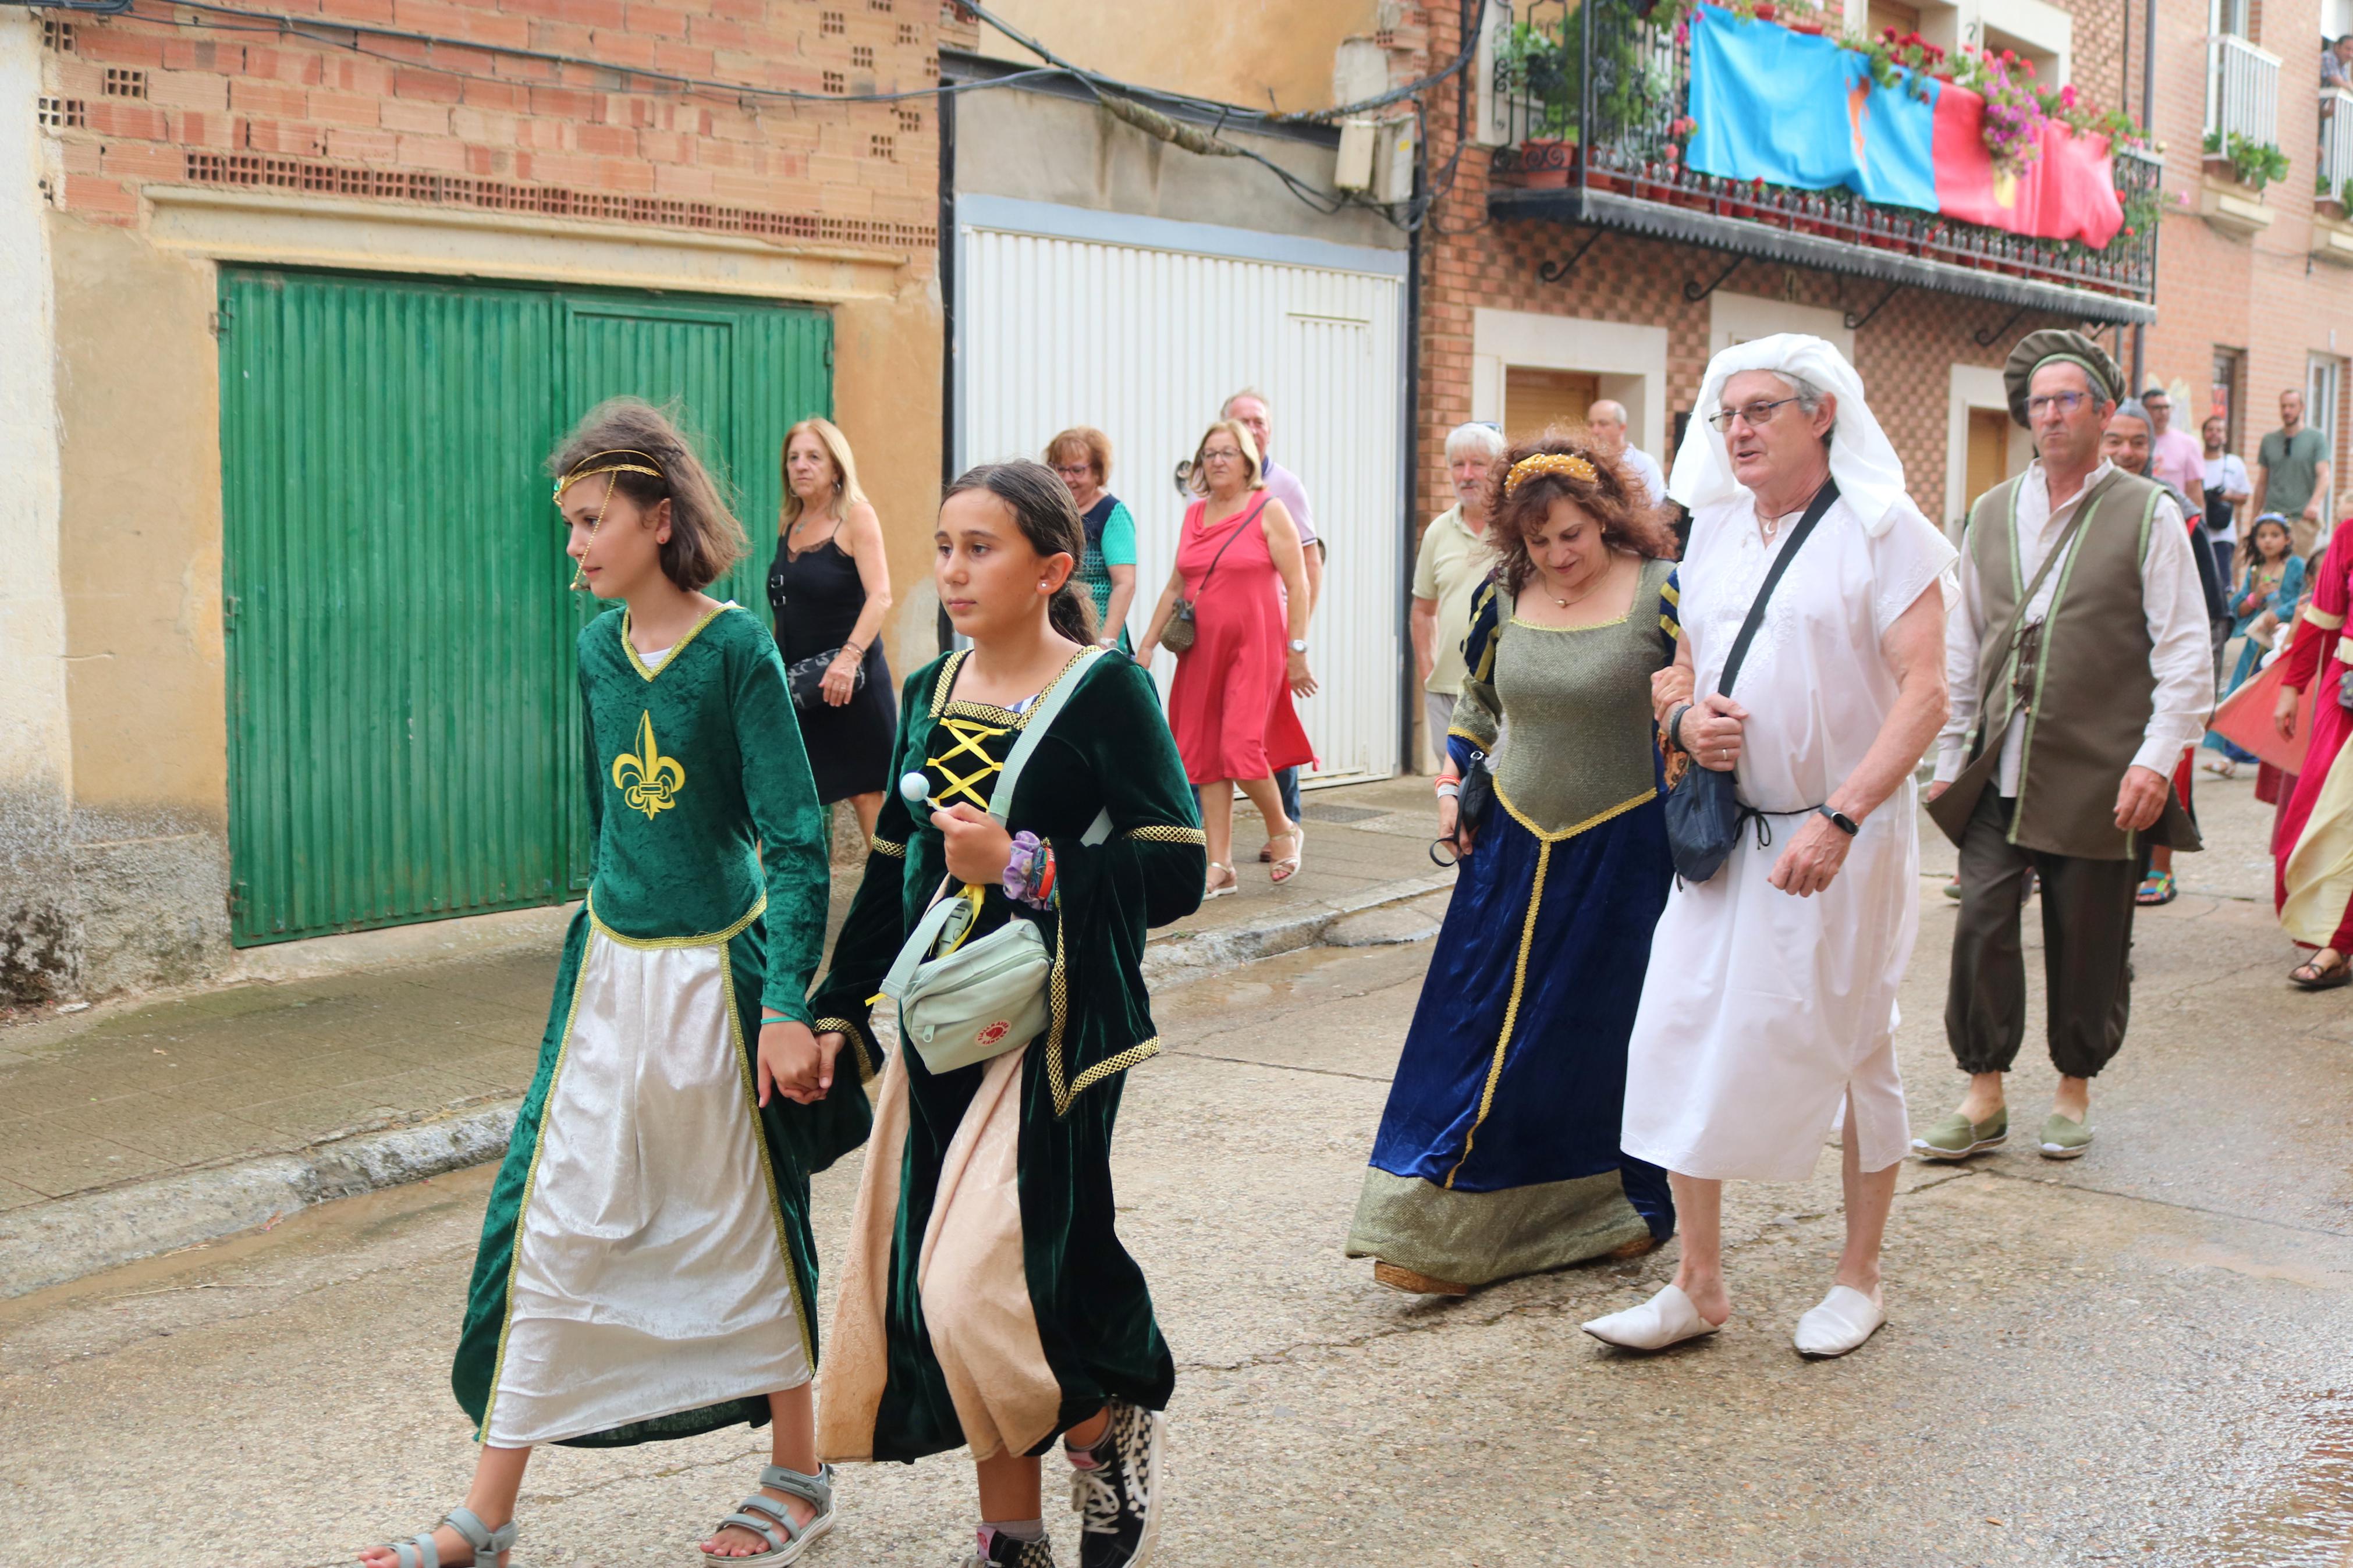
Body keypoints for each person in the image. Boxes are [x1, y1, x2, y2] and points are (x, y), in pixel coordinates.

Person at [365, 399, 846, 1568]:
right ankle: (486, 1514)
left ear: (657, 520)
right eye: (569, 521)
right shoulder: (593, 652)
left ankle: (799, 1471)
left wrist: (785, 1007)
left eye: (591, 520)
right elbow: (610, 825)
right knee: (555, 1220)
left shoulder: (733, 650)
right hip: (610, 978)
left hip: (719, 980)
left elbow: (794, 839)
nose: (574, 545)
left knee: (740, 1218)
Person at [807, 460, 1204, 1568]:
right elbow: (892, 863)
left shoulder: (1107, 691)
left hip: (1058, 1027)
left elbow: (1175, 865)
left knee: (979, 1284)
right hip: (941, 1025)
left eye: (979, 548)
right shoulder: (930, 691)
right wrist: (839, 1010)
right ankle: (1011, 1534)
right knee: (949, 1289)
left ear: (1051, 570)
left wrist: (1024, 861)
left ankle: (1103, 1431)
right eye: (943, 546)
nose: (951, 570)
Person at [1586, 334, 1955, 1361]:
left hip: (1840, 835)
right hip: (1722, 839)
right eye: (1725, 415)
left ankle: (1858, 1277)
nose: (1737, 430)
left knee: (1854, 1049)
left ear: (1820, 413)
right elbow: (1685, 663)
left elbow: (1925, 692)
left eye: (1758, 411)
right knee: (1673, 1028)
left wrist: (1839, 817)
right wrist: (1680, 722)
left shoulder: (1887, 531)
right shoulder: (1708, 531)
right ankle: (1696, 1283)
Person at [1348, 436, 1680, 1296]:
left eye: (1572, 534)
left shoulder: (1664, 593)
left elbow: (1696, 698)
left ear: (1606, 519)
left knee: (1591, 1040)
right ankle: (1443, 1221)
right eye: (1538, 541)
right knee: (1473, 1032)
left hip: (1622, 853)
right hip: (1508, 849)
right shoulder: (1505, 597)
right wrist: (1452, 779)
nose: (1558, 555)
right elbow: (1478, 703)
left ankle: (1617, 1212)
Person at [1920, 330, 2209, 1168]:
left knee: (2086, 934)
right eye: (2037, 401)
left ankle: (2072, 1087)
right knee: (1979, 920)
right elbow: (1963, 643)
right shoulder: (1987, 511)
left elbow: (2184, 649)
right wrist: (1949, 753)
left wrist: (2155, 758)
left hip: (2100, 770)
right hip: (1996, 767)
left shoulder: (2148, 512)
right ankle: (1982, 1091)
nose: (2047, 413)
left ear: (2102, 412)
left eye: (2066, 399)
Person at [1139, 420, 1317, 894]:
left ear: (1247, 461)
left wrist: (1297, 649)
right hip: (1200, 652)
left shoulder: (1269, 508)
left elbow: (1298, 583)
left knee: (1239, 751)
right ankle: (1220, 866)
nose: (1217, 460)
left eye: (1228, 452)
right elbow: (1177, 585)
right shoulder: (1194, 514)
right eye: (1210, 453)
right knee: (1202, 758)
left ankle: (1283, 828)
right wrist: (1147, 643)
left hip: (1255, 646)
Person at [2103, 399, 2227, 907]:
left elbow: (2210, 612)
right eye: (2115, 440)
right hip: (2104, 675)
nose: (2126, 452)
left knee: (2164, 769)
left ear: (2153, 451)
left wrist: (2196, 689)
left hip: (2160, 673)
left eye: (2138, 443)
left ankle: (2160, 867)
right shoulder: (2074, 506)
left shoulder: (2177, 513)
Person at [770, 417, 896, 842]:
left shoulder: (856, 517)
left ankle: (890, 902)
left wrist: (848, 658)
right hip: (803, 687)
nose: (800, 466)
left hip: (850, 683)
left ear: (836, 467)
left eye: (813, 456)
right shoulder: (791, 525)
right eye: (793, 457)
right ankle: (758, 903)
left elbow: (880, 596)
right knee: (785, 792)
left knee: (866, 794)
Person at [1222, 389, 1318, 852]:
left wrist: (1296, 638)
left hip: (1270, 631)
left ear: (1269, 429)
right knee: (1226, 729)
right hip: (1223, 634)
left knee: (1269, 726)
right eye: (1243, 421)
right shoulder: (1214, 488)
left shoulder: (1286, 487)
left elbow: (1309, 565)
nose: (1253, 429)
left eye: (1259, 421)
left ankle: (1287, 825)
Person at [2267, 512, 2353, 989]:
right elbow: (2321, 618)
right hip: (2347, 695)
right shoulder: (2348, 534)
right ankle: (2336, 944)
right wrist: (2290, 687)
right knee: (2334, 818)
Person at [1409, 422, 1505, 767]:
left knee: (1496, 797)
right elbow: (1423, 610)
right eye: (1458, 465)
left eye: (1478, 464)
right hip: (1447, 692)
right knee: (1453, 796)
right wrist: (1428, 675)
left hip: (1503, 693)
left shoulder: (1517, 530)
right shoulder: (1438, 531)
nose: (1467, 475)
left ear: (1497, 469)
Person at [2203, 513, 2305, 776]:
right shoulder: (2255, 572)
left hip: (2283, 645)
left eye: (2274, 535)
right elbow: (2239, 608)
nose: (2268, 541)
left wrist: (2281, 613)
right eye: (2262, 536)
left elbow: (2306, 598)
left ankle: (2276, 757)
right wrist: (2254, 597)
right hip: (2256, 647)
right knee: (2242, 697)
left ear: (2287, 539)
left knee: (2273, 700)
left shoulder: (2296, 567)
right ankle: (2231, 758)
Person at [1046, 426, 1138, 652]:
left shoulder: (1111, 513)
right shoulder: (1049, 511)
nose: (1068, 479)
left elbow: (1124, 584)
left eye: (1078, 470)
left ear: (1097, 472)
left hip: (1096, 637)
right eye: (1061, 469)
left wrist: (1106, 642)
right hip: (1056, 636)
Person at [2251, 389, 2334, 559]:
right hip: (2272, 516)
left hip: (2301, 518)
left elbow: (2324, 475)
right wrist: (2254, 516)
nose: (2287, 411)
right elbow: (2262, 482)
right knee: (2269, 569)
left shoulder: (2316, 439)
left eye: (2292, 406)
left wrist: (2314, 504)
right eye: (2283, 407)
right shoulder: (2269, 440)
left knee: (2298, 569)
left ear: (2302, 407)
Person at [2201, 413, 2253, 589]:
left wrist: (2226, 497)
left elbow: (2245, 496)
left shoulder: (2234, 463)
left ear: (2225, 436)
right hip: (2198, 530)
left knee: (2222, 584)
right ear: (2204, 434)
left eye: (2219, 430)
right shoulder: (2196, 461)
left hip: (2223, 534)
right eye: (2210, 430)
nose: (2214, 434)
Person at [1586, 398, 1668, 507]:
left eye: (1603, 424)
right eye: (1591, 424)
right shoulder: (1585, 461)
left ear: (1622, 428)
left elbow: (1655, 506)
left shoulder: (1644, 463)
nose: (1595, 431)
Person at [2142, 386, 2205, 504]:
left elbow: (2194, 490)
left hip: (2174, 511)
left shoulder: (2188, 444)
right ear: (2144, 410)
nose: (2164, 413)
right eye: (2157, 408)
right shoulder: (2135, 441)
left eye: (2167, 408)